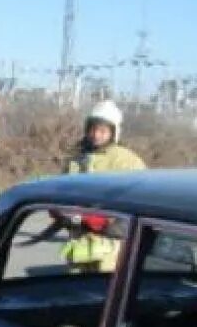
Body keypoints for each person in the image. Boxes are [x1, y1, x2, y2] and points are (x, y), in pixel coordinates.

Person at [61, 100, 146, 273]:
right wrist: (61, 213)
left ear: (113, 132)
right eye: (93, 129)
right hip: (80, 240)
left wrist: (112, 225)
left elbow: (143, 197)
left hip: (110, 243)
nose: (96, 135)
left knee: (105, 288)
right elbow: (64, 191)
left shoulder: (127, 161)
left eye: (102, 130)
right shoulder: (76, 159)